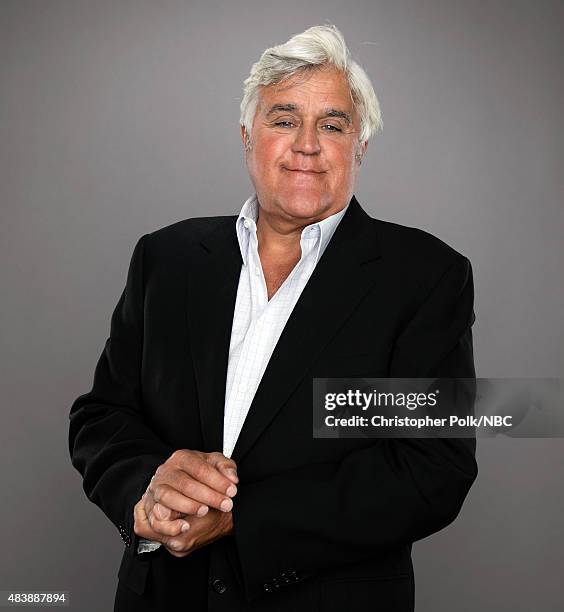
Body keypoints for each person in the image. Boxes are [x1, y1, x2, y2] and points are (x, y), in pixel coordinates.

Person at [69, 24, 477, 612]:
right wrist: (148, 490)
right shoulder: (166, 259)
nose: (307, 144)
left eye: (332, 125)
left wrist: (240, 520)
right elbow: (102, 414)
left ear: (359, 144)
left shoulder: (425, 278)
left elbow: (431, 467)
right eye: (284, 119)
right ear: (246, 135)